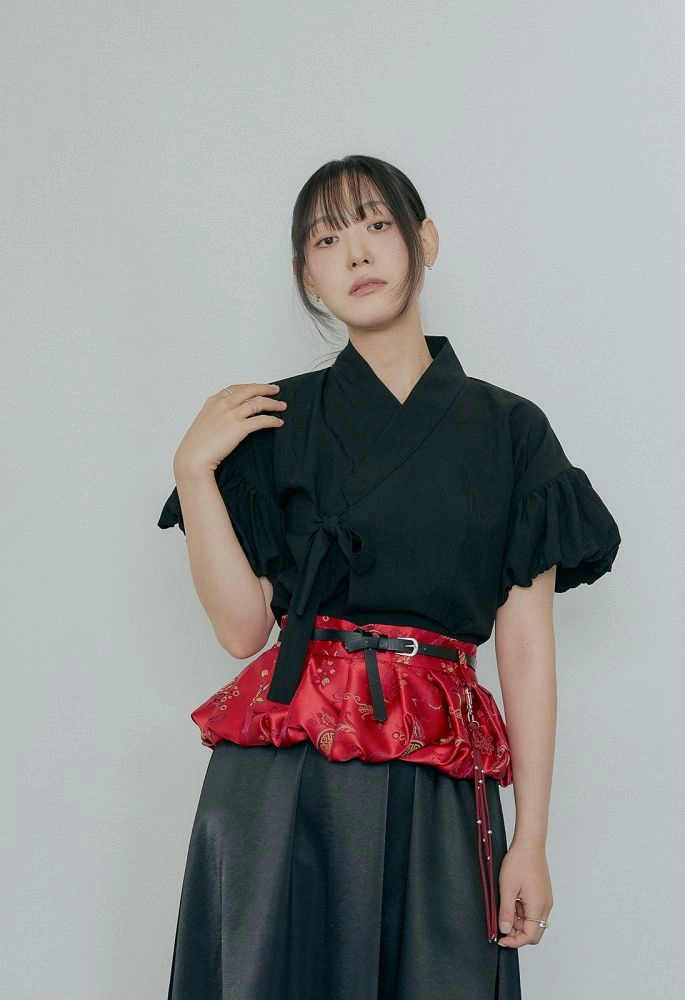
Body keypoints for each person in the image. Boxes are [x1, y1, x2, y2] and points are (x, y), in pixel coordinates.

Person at [158, 154, 620, 1000]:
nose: (358, 253)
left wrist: (531, 840)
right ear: (307, 274)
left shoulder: (511, 431)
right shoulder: (274, 422)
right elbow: (241, 631)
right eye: (327, 240)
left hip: (436, 771)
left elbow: (525, 648)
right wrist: (193, 472)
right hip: (286, 777)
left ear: (424, 241)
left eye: (377, 225)